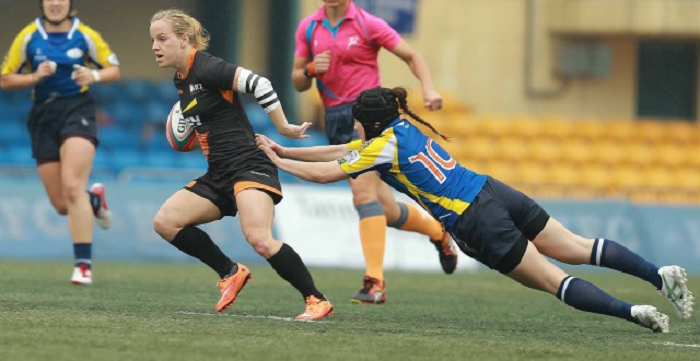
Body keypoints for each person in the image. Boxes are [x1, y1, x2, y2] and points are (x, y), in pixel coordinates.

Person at [257, 87, 695, 332]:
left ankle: (631, 312)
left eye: (357, 119)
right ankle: (659, 275)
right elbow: (343, 150)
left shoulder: (379, 146)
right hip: (492, 189)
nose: (354, 126)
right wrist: (288, 148)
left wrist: (279, 162)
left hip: (474, 219)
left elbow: (329, 172)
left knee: (553, 281)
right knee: (580, 247)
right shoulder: (400, 128)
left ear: (370, 122)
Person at [149, 8, 333, 320]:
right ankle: (230, 272)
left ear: (184, 39)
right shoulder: (180, 80)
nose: (155, 46)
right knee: (166, 222)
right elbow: (206, 126)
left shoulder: (206, 66)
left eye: (161, 38)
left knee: (259, 238)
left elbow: (259, 84)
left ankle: (316, 299)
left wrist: (284, 127)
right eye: (152, 39)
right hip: (219, 172)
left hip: (249, 165)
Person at [291, 0, 456, 304]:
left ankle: (374, 283)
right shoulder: (308, 28)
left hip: (368, 121)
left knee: (363, 197)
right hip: (334, 118)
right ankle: (437, 231)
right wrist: (308, 69)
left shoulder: (368, 25)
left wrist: (428, 88)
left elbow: (411, 56)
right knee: (385, 207)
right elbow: (297, 82)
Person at [0, 0, 119, 285]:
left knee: (71, 187)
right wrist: (34, 76)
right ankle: (94, 200)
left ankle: (83, 265)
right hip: (43, 114)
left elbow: (113, 68)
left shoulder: (86, 35)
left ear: (70, 4)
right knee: (62, 204)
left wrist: (92, 76)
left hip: (77, 109)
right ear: (42, 3)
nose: (55, 3)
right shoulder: (28, 36)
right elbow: (6, 78)